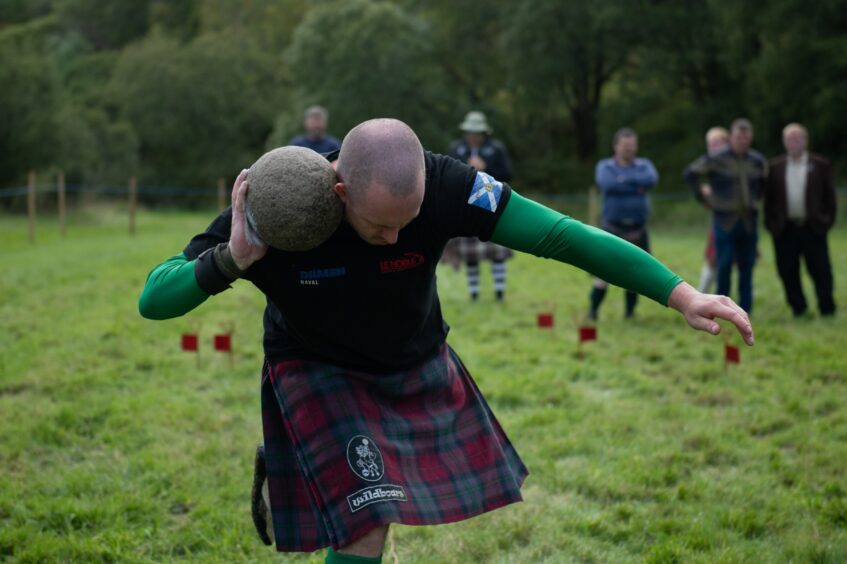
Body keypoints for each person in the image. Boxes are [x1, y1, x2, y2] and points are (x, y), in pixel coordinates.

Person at [139, 119, 753, 563]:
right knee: (365, 527)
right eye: (381, 225)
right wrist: (233, 258)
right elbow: (154, 299)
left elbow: (561, 236)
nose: (395, 237)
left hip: (412, 359)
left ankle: (299, 466)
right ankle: (306, 466)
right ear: (340, 191)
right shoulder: (280, 211)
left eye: (407, 222)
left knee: (370, 509)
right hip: (316, 366)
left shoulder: (448, 184)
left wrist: (682, 294)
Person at [684, 118, 767, 314]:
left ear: (751, 138)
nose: (743, 141)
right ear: (732, 137)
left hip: (749, 221)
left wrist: (756, 199)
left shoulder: (756, 160)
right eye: (739, 137)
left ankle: (746, 311)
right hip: (724, 221)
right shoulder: (717, 159)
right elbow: (690, 173)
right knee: (723, 266)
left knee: (747, 267)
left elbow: (764, 184)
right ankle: (722, 310)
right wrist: (703, 198)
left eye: (746, 137)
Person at [764, 123, 836, 317]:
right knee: (787, 271)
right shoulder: (775, 167)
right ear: (784, 142)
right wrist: (772, 225)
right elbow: (768, 200)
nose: (793, 143)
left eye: (797, 139)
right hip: (785, 230)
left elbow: (830, 197)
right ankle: (798, 308)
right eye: (789, 139)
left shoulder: (820, 164)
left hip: (813, 228)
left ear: (805, 140)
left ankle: (827, 307)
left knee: (821, 269)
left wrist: (826, 221)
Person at [588, 127, 659, 320]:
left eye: (632, 146)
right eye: (625, 146)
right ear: (615, 146)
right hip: (612, 228)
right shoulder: (605, 166)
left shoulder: (645, 165)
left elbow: (651, 179)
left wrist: (622, 181)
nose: (629, 149)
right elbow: (607, 183)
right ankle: (593, 311)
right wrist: (636, 185)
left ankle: (630, 313)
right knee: (603, 271)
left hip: (637, 228)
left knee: (634, 273)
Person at [445, 111, 514, 301]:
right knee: (471, 257)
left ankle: (499, 292)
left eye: (477, 132)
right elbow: (448, 177)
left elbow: (507, 175)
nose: (473, 136)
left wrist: (486, 170)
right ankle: (473, 293)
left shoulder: (497, 149)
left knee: (497, 253)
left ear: (484, 133)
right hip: (466, 208)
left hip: (492, 206)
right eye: (470, 132)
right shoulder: (456, 149)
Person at [691, 127, 730, 293]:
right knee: (713, 259)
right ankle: (701, 294)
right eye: (710, 144)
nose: (713, 148)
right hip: (719, 221)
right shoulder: (711, 166)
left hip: (739, 220)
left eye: (717, 143)